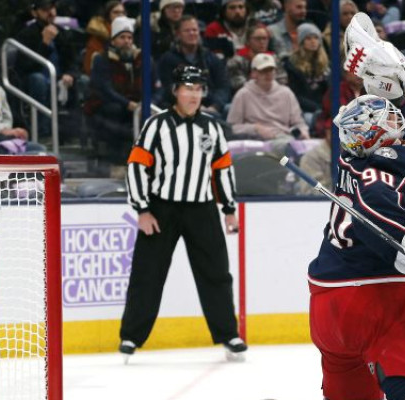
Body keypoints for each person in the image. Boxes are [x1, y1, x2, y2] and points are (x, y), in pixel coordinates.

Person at [214, 94, 405, 400]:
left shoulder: (351, 159)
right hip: (378, 301)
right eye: (391, 122)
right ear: (377, 134)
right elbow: (375, 210)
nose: (401, 128)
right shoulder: (382, 168)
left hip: (328, 307)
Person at [119, 66, 246, 362]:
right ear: (175, 91)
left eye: (198, 88)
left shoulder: (212, 127)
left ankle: (229, 334)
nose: (193, 94)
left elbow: (222, 169)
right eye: (188, 88)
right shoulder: (156, 125)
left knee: (216, 273)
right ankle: (131, 336)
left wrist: (229, 209)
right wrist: (142, 209)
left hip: (202, 209)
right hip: (161, 209)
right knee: (147, 274)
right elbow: (137, 166)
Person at [84, 17, 145, 164]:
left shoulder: (142, 59)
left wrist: (146, 103)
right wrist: (127, 103)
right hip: (106, 104)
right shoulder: (101, 59)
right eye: (122, 37)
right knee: (115, 110)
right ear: (113, 40)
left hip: (135, 104)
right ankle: (116, 158)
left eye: (129, 37)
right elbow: (104, 89)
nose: (127, 41)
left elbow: (152, 85)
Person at [15, 0, 79, 137]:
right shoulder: (26, 34)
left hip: (59, 77)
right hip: (34, 77)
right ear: (35, 12)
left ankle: (74, 133)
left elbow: (72, 61)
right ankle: (42, 133)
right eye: (45, 9)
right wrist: (45, 43)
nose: (51, 12)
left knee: (82, 81)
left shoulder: (62, 33)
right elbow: (25, 66)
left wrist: (70, 74)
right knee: (38, 80)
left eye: (53, 8)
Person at [157, 16, 231, 117]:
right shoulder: (167, 60)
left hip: (211, 107)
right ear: (178, 34)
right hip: (179, 109)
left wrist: (215, 106)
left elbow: (223, 87)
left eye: (194, 30)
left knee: (229, 109)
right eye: (187, 31)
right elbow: (168, 89)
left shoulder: (211, 58)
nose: (192, 33)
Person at [227, 53, 309, 141]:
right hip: (254, 141)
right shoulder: (243, 94)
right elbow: (232, 128)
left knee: (303, 150)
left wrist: (303, 132)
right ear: (254, 73)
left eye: (271, 70)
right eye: (263, 71)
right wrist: (255, 128)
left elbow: (299, 122)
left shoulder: (286, 93)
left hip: (283, 138)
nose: (268, 74)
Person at [283, 22, 330, 113]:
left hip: (325, 109)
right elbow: (295, 95)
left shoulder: (326, 65)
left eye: (316, 38)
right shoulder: (291, 65)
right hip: (302, 110)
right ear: (301, 42)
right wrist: (317, 109)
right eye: (308, 38)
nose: (313, 41)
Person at [83, 0, 127, 75]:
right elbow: (90, 66)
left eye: (122, 12)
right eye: (116, 12)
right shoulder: (98, 35)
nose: (120, 15)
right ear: (108, 15)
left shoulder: (128, 33)